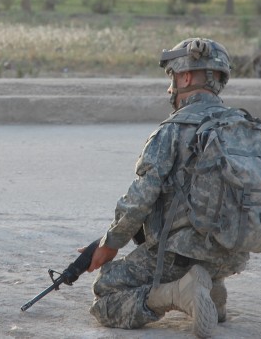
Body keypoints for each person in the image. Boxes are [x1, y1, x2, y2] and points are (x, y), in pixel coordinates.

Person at [86, 37, 248, 338]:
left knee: (105, 295)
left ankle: (179, 293)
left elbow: (140, 198)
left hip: (181, 254)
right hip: (233, 254)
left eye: (173, 76)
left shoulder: (173, 129)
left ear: (186, 76)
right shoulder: (243, 126)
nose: (171, 86)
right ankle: (212, 286)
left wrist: (110, 245)